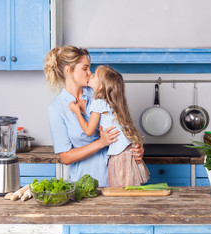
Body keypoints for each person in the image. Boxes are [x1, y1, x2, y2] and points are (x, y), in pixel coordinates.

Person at [43, 45, 144, 187]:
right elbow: (65, 157)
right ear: (68, 71)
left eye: (90, 68)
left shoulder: (98, 94)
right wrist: (101, 143)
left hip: (118, 177)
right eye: (85, 68)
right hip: (84, 184)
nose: (89, 73)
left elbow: (122, 122)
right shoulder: (57, 108)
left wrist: (136, 149)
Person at [69, 65, 150, 187]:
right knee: (131, 191)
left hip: (119, 154)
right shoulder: (112, 104)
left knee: (119, 192)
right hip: (127, 150)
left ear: (101, 86)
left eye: (94, 75)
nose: (90, 74)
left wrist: (77, 112)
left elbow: (89, 130)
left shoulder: (98, 103)